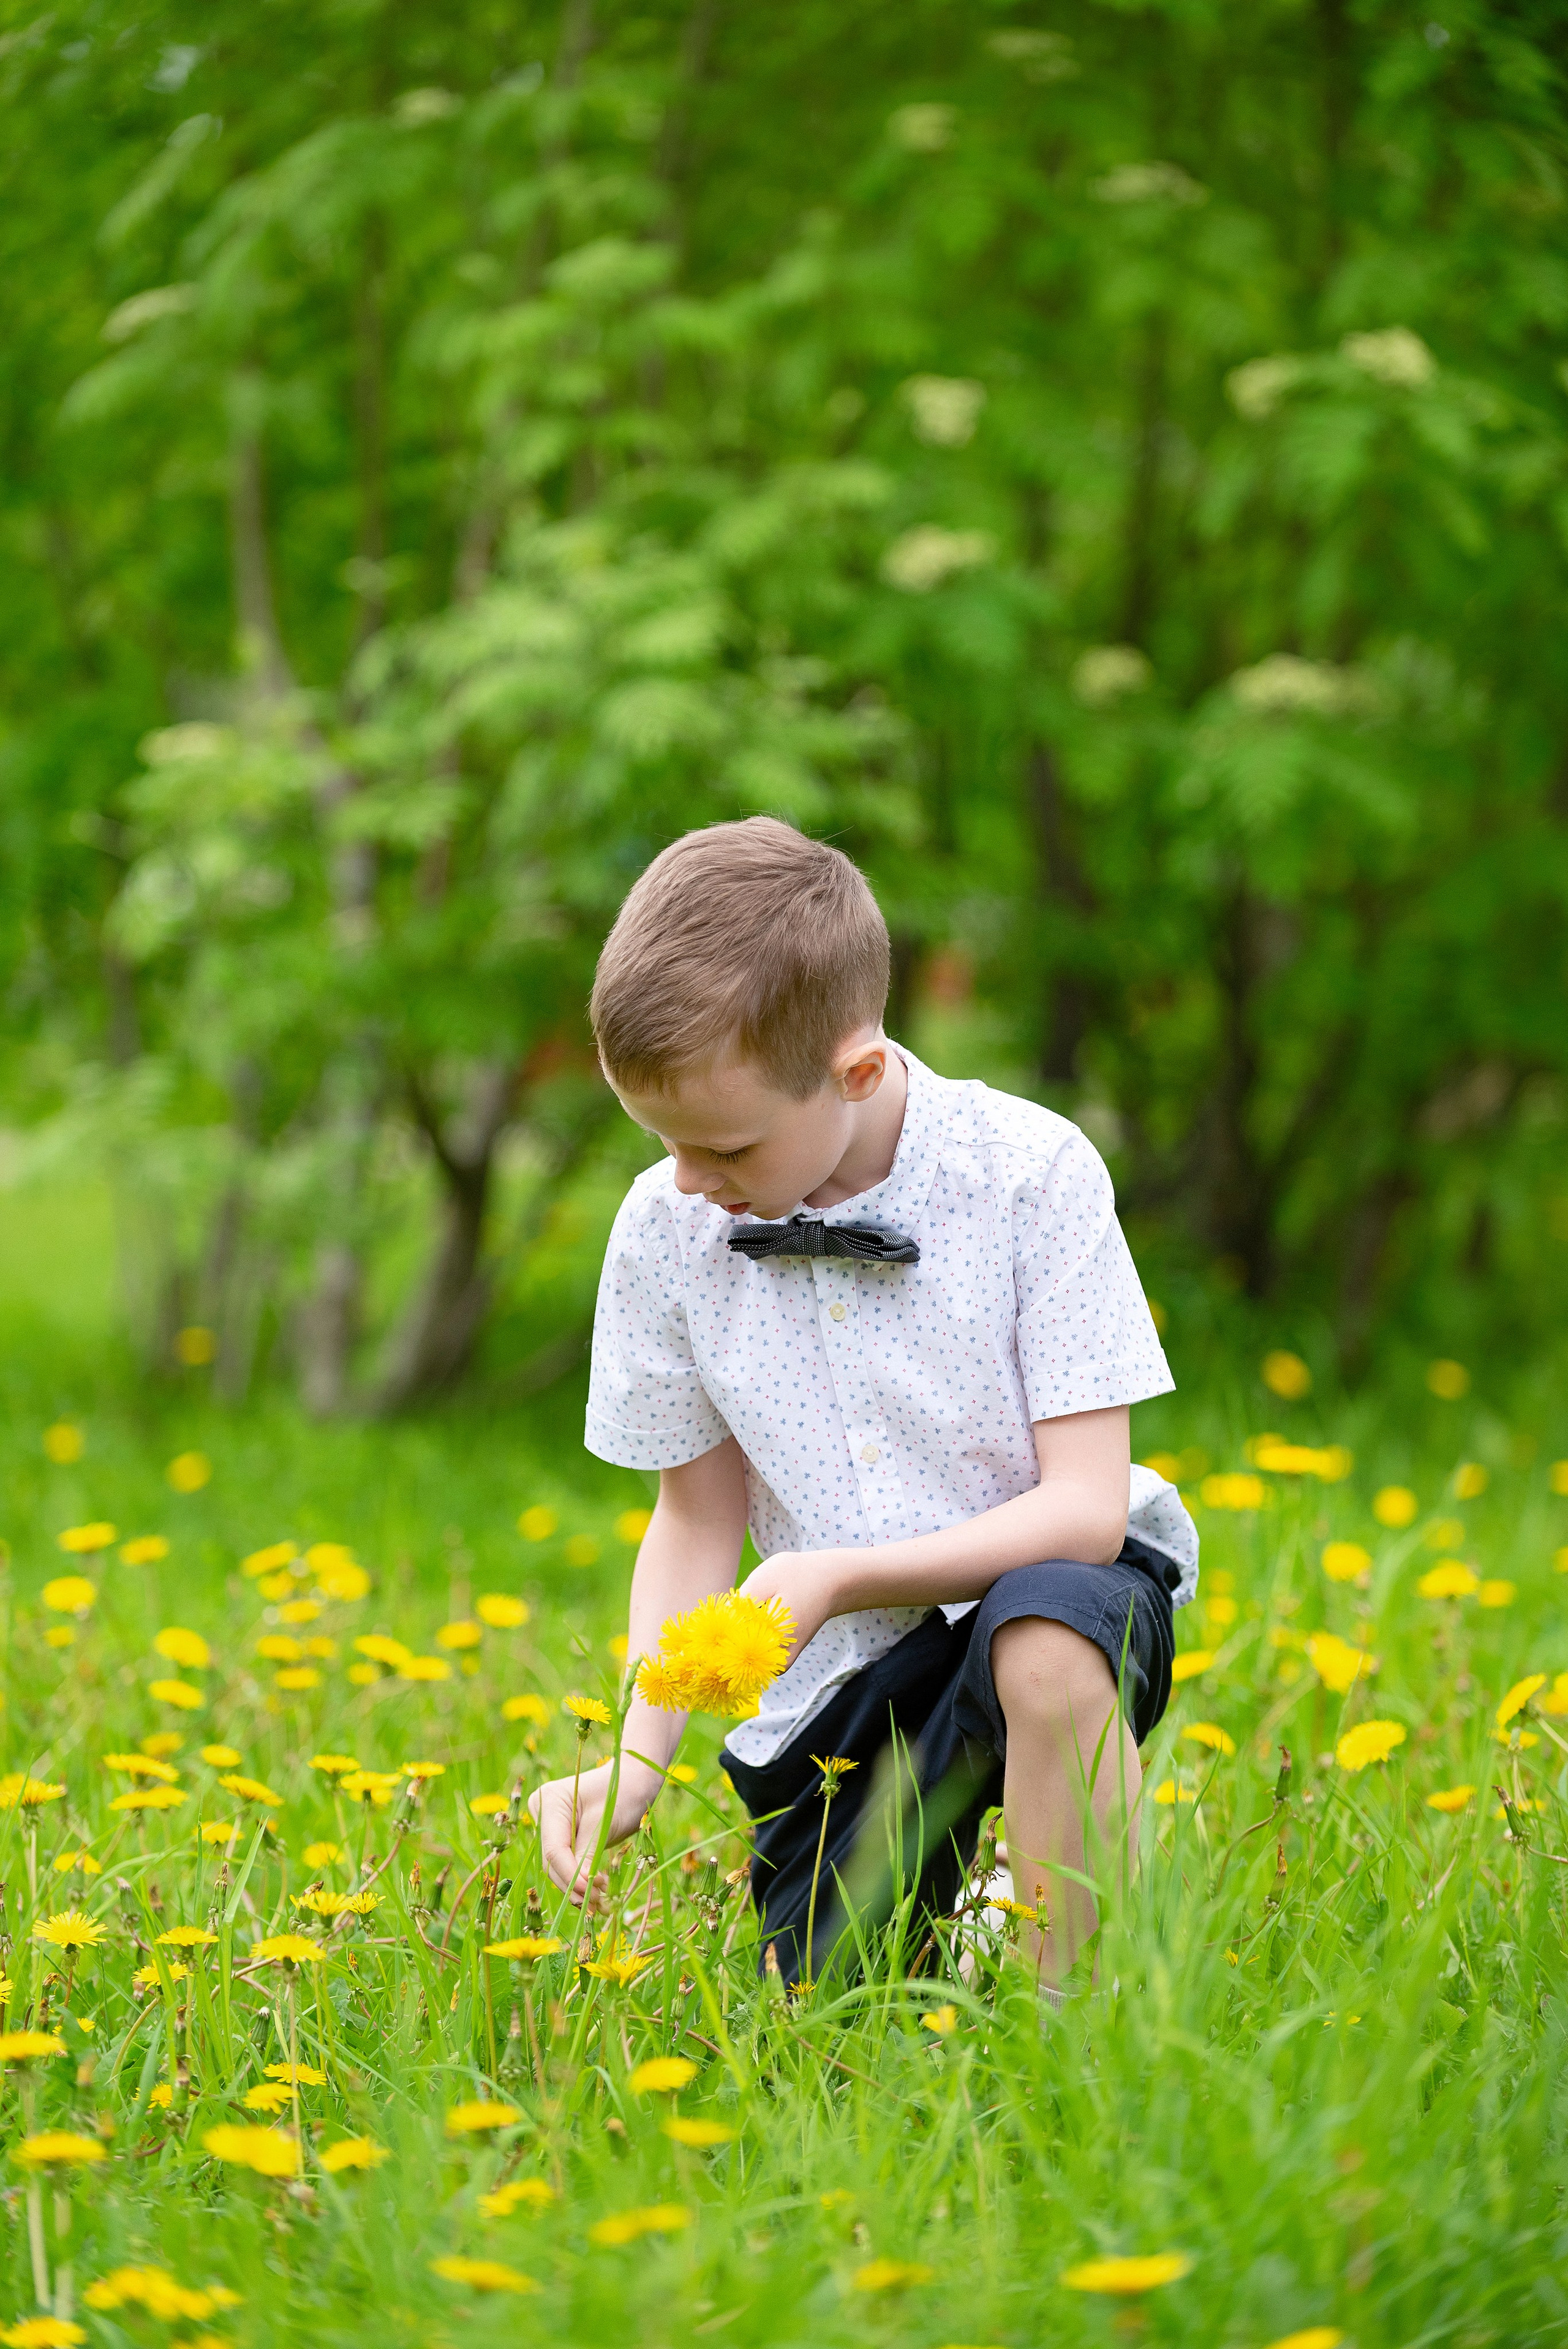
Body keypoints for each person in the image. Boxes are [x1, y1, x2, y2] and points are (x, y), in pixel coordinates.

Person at [531, 816, 1197, 1991]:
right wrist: (638, 1756)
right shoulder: (669, 1226)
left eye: (724, 1145)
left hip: (1049, 1591)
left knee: (1047, 1639)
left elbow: (1089, 1511)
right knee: (842, 2005)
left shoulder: (1031, 1173)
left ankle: (1077, 2014)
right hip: (837, 1679)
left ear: (859, 1070)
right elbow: (694, 1520)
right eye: (665, 1143)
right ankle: (961, 1912)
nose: (690, 1179)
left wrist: (839, 1571)